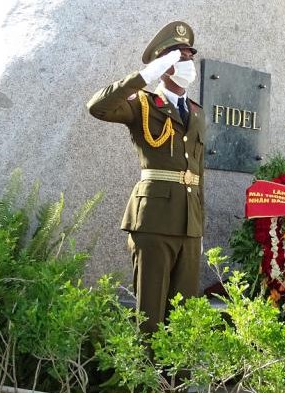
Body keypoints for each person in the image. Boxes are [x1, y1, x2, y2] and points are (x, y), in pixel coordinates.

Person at [86, 21, 205, 334]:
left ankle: (176, 383)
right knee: (149, 315)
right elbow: (97, 107)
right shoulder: (143, 104)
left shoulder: (196, 112)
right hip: (152, 221)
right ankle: (148, 382)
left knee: (184, 317)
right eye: (180, 58)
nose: (188, 64)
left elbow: (197, 172)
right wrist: (144, 77)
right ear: (164, 65)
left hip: (188, 226)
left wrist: (199, 229)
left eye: (189, 56)